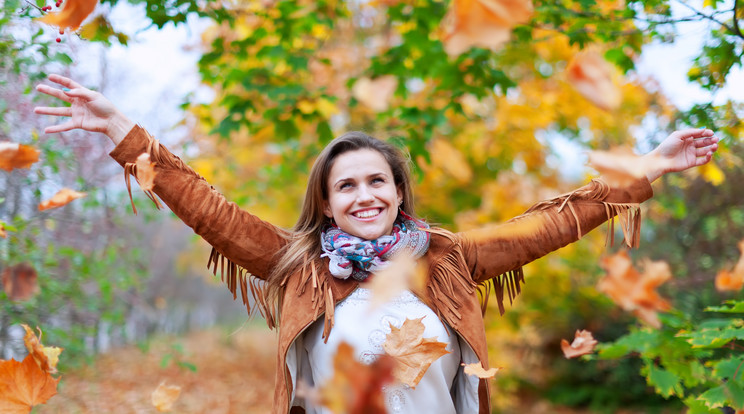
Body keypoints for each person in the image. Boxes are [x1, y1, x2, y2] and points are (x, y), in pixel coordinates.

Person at [35, 74, 719, 414]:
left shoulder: (448, 260)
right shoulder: (298, 265)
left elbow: (548, 222)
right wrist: (127, 135)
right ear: (326, 202)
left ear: (397, 191)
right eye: (346, 186)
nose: (364, 195)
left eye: (376, 181)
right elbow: (210, 208)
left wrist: (645, 166)